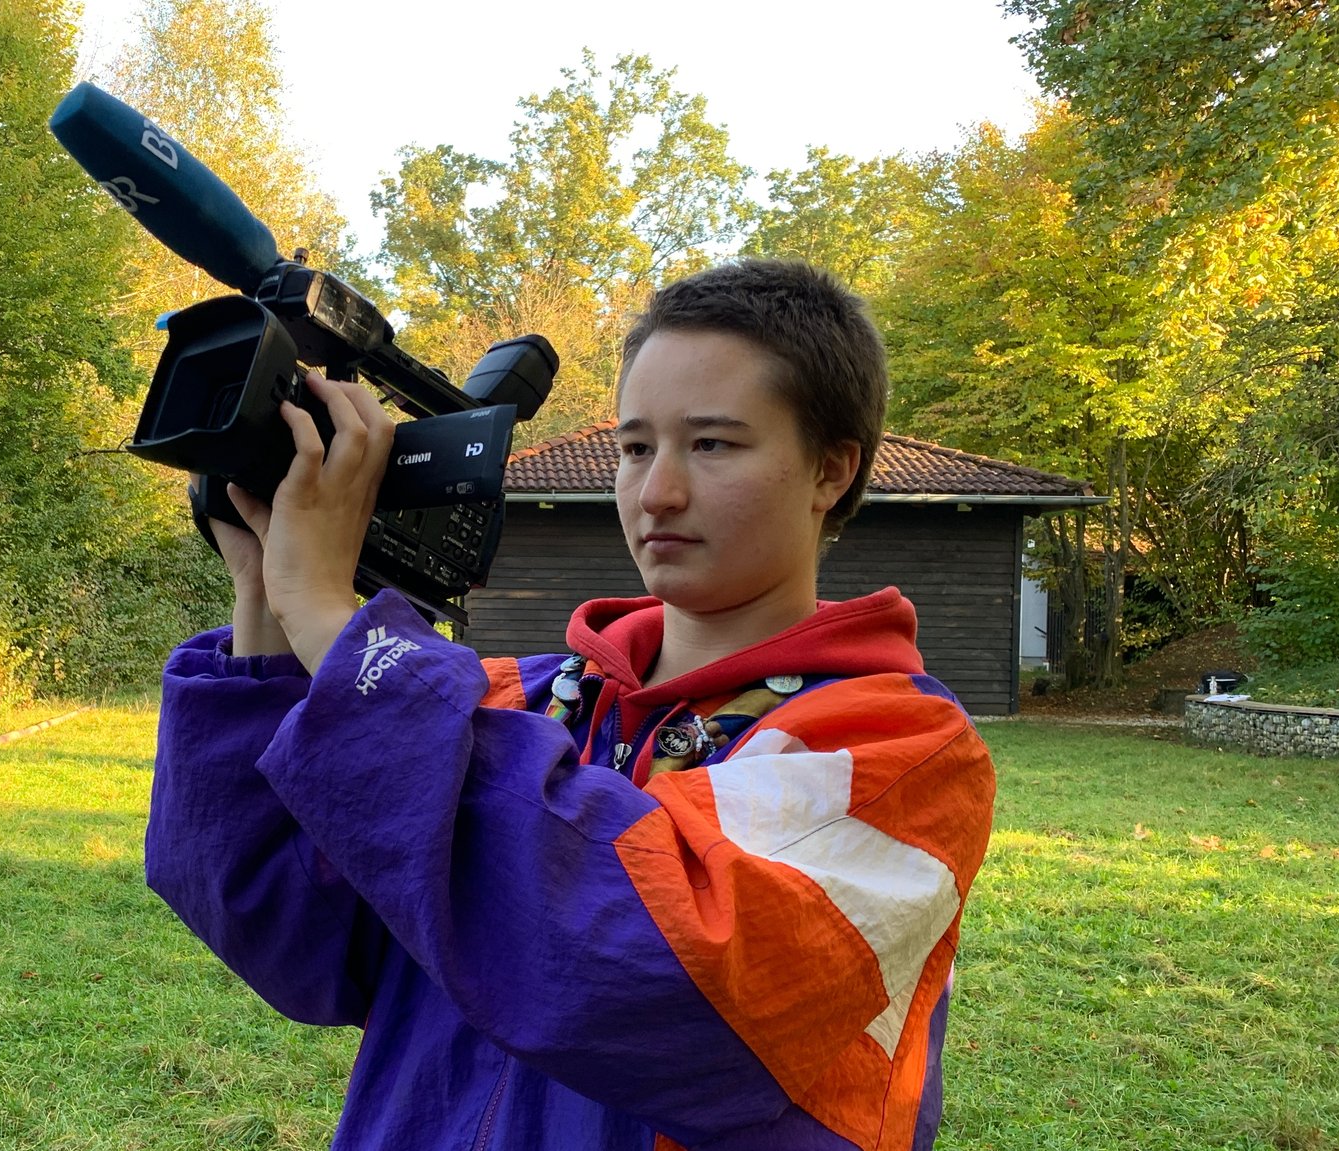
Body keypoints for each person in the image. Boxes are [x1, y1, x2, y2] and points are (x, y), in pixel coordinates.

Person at [146, 259, 997, 1150]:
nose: (656, 490)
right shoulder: (512, 701)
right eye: (636, 447)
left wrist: (333, 617)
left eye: (712, 444)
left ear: (831, 470)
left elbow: (660, 980)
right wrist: (267, 600)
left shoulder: (901, 749)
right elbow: (293, 932)